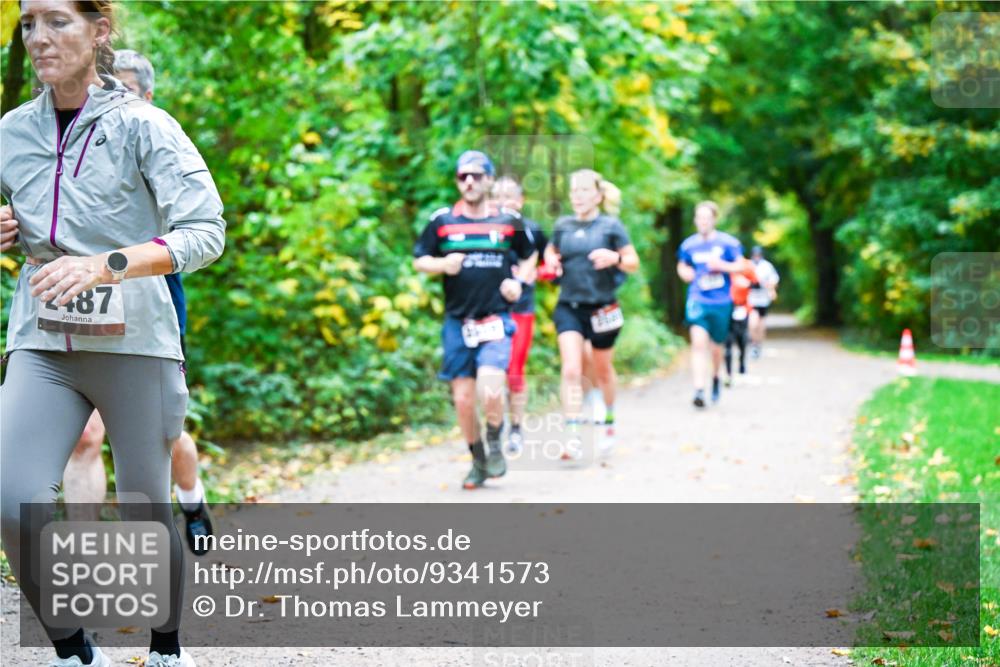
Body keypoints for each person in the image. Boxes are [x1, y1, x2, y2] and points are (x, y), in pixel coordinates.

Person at [1, 2, 226, 666]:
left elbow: (205, 232)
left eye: (58, 22)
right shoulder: (11, 130)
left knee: (145, 508)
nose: (39, 37)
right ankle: (74, 650)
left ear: (100, 31)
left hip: (135, 338)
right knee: (12, 501)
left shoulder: (145, 125)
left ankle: (166, 649)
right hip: (44, 340)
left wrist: (108, 263)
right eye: (29, 24)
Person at [60, 48, 215, 557]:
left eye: (122, 92)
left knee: (161, 437)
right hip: (78, 303)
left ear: (147, 97)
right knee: (84, 436)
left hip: (150, 298)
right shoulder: (69, 145)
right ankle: (82, 556)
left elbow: (197, 229)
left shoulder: (160, 143)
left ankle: (191, 501)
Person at [413, 151, 537, 489]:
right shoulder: (442, 221)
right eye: (462, 176)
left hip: (495, 318)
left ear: (489, 180)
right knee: (464, 399)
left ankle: (495, 441)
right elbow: (420, 259)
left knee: (491, 389)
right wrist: (441, 265)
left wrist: (518, 282)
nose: (469, 181)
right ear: (457, 182)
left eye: (477, 175)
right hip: (457, 322)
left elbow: (531, 256)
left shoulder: (508, 221)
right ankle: (478, 459)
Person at [544, 170, 639, 457]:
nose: (578, 196)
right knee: (571, 368)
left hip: (602, 308)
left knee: (601, 369)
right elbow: (550, 252)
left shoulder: (611, 226)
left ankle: (607, 421)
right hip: (569, 307)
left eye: (584, 190)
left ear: (597, 195)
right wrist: (551, 260)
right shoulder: (563, 225)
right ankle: (572, 434)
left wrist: (616, 258)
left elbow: (633, 262)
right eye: (574, 191)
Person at [490, 176, 547, 455]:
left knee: (514, 371)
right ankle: (494, 426)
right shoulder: (485, 229)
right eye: (497, 196)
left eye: (509, 196)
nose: (504, 202)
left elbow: (549, 261)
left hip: (521, 309)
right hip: (488, 310)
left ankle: (516, 428)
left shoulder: (533, 230)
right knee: (490, 372)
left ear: (521, 201)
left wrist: (535, 273)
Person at [676, 201, 744, 407]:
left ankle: (715, 377)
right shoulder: (689, 245)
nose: (702, 221)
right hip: (698, 299)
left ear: (714, 219)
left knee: (716, 347)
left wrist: (722, 266)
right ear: (695, 220)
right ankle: (698, 389)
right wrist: (685, 273)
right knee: (698, 344)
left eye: (706, 217)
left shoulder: (728, 243)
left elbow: (741, 265)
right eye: (699, 217)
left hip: (722, 302)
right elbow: (682, 265)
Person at [723, 256, 757, 385]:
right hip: (726, 308)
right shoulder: (722, 264)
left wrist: (747, 283)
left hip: (742, 308)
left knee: (742, 339)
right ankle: (728, 374)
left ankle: (742, 367)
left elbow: (756, 283)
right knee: (727, 342)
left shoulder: (746, 265)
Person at [748, 245, 780, 358]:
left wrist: (770, 288)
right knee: (753, 324)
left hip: (763, 299)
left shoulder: (767, 266)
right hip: (751, 299)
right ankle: (753, 344)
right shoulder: (748, 265)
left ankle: (758, 345)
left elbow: (774, 279)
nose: (756, 257)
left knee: (761, 325)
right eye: (755, 255)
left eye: (758, 255)